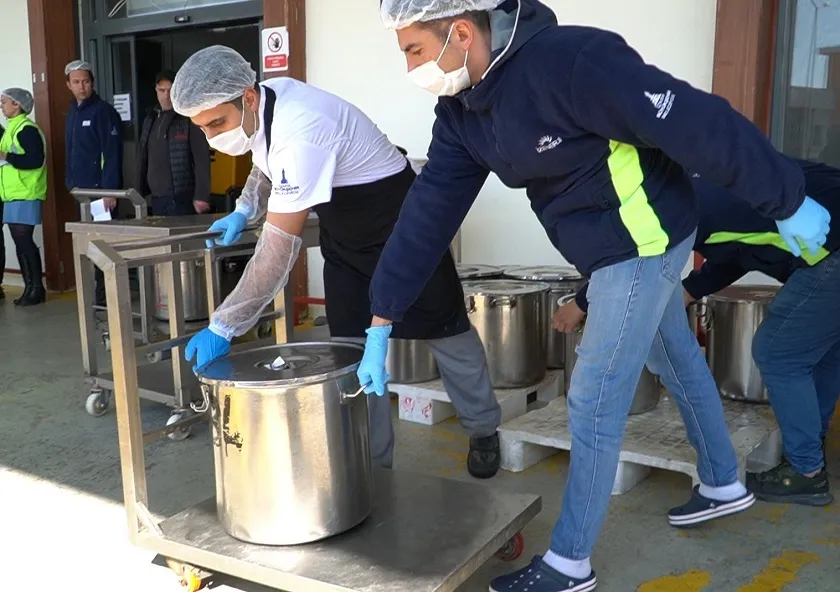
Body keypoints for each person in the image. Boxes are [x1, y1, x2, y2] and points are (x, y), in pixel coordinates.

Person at [364, 1, 832, 590]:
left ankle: (569, 565)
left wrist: (783, 197)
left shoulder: (573, 61)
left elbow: (692, 119)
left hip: (642, 243)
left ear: (460, 32)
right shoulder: (463, 113)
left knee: (592, 401)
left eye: (413, 50)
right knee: (673, 353)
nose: (410, 66)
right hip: (609, 244)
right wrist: (382, 315)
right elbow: (428, 211)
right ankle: (723, 482)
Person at [170, 45, 503, 478]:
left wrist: (225, 323)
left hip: (399, 225)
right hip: (346, 238)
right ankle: (374, 462)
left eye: (217, 123)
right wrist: (244, 208)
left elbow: (277, 252)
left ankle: (483, 430)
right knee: (351, 354)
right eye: (202, 128)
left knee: (447, 328)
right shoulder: (266, 102)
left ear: (247, 97)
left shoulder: (303, 126)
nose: (213, 137)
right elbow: (262, 160)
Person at [557, 159, 840, 509]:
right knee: (825, 352)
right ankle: (810, 446)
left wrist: (582, 303)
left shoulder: (688, 200)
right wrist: (691, 290)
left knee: (776, 352)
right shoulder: (706, 181)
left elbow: (632, 259)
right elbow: (739, 251)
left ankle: (806, 472)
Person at [64, 59, 124, 307]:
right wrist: (70, 183)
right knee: (88, 241)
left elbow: (112, 153)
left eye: (86, 81)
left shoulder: (103, 111)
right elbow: (71, 150)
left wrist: (110, 191)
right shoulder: (72, 113)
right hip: (81, 192)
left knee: (104, 243)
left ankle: (107, 293)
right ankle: (95, 292)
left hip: (101, 193)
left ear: (92, 83)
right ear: (68, 84)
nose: (82, 86)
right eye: (76, 82)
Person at [137, 70, 211, 216]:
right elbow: (142, 157)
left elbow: (202, 158)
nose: (166, 95)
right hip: (156, 198)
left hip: (182, 198)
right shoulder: (150, 119)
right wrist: (138, 191)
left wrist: (202, 195)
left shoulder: (189, 118)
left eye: (170, 90)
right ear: (156, 91)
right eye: (161, 90)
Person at [0, 88, 47, 306]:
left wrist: (6, 156)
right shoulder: (12, 128)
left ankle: (36, 288)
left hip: (26, 192)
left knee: (24, 242)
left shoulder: (26, 129)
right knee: (20, 243)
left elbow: (34, 160)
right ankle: (30, 287)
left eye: (4, 102)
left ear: (17, 104)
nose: (2, 106)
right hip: (13, 194)